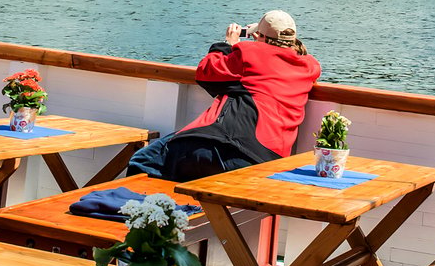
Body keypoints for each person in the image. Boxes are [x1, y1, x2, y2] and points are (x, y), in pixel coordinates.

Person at [127, 10, 321, 182]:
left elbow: (206, 71)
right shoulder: (309, 67)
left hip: (225, 146)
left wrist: (228, 44)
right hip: (268, 159)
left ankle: (140, 219)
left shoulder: (250, 53)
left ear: (259, 36)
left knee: (142, 162)